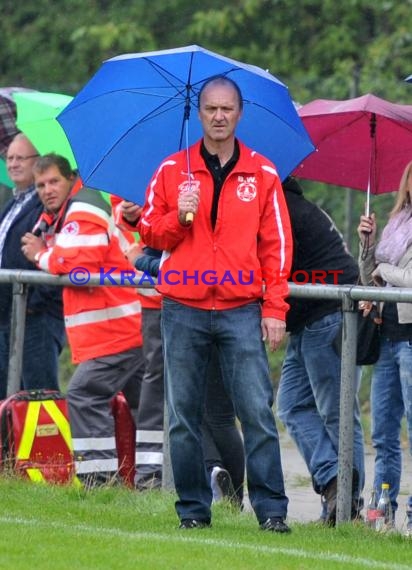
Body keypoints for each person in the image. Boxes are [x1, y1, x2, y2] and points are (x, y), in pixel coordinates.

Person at [138, 75, 293, 532]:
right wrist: (179, 216)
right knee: (182, 418)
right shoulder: (171, 171)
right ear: (200, 113)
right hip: (182, 307)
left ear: (239, 114)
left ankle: (272, 512)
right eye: (211, 109)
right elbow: (148, 232)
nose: (219, 116)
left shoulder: (263, 173)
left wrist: (275, 308)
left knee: (257, 414)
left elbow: (277, 248)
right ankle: (192, 511)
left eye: (227, 109)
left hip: (242, 309)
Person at [21, 153, 145, 487]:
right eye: (41, 185)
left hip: (117, 332)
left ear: (70, 178)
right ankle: (152, 482)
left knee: (83, 395)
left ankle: (99, 481)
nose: (47, 190)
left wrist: (40, 254)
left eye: (53, 182)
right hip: (120, 330)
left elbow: (81, 269)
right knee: (147, 410)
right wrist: (48, 237)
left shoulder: (83, 207)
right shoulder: (68, 213)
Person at [125, 239, 245, 504]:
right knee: (221, 416)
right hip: (227, 309)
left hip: (189, 311)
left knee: (186, 407)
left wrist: (139, 260)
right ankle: (233, 497)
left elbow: (181, 269)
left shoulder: (189, 210)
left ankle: (212, 471)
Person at [276, 176, 365, 525]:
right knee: (291, 406)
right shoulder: (295, 206)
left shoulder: (282, 209)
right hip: (310, 316)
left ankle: (346, 507)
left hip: (328, 314)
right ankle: (333, 482)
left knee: (338, 412)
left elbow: (274, 265)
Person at [357, 160, 412, 535]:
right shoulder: (396, 225)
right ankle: (382, 508)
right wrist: (368, 246)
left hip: (411, 339)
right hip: (388, 338)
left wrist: (383, 271)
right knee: (383, 433)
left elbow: (403, 278)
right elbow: (369, 281)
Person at [0, 134, 65, 398]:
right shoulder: (12, 202)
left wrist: (35, 304)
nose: (12, 163)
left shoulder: (47, 202)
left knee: (38, 397)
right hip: (8, 314)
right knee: (9, 398)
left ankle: (49, 443)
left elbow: (56, 250)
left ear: (37, 162)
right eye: (9, 157)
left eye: (20, 158)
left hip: (35, 314)